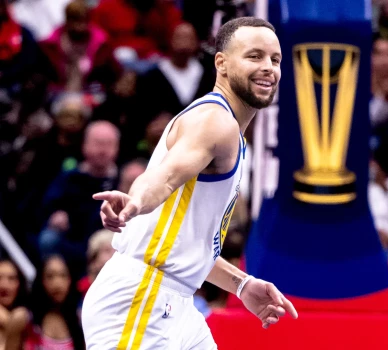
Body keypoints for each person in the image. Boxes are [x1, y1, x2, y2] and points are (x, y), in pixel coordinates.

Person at [81, 17, 298, 349]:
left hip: (176, 302)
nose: (268, 67)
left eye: (275, 59)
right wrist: (135, 202)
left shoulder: (232, 133)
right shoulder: (214, 121)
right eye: (254, 56)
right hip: (142, 299)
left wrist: (241, 284)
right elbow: (162, 179)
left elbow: (188, 245)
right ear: (221, 63)